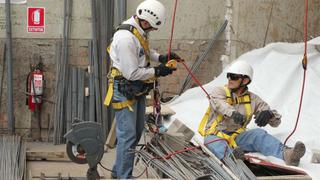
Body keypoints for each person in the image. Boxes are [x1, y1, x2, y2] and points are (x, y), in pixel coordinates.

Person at [104, 0, 180, 178]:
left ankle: (118, 171)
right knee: (127, 136)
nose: (153, 30)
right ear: (145, 21)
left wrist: (161, 57)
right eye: (152, 27)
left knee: (137, 132)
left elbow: (144, 51)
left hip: (136, 87)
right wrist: (157, 71)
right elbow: (131, 73)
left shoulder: (138, 30)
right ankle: (124, 176)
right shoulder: (125, 39)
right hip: (125, 88)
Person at [198, 60, 306, 166]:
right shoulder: (220, 91)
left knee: (258, 134)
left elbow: (276, 123)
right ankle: (233, 161)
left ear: (245, 81)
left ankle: (288, 155)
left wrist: (269, 114)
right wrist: (232, 113)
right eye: (229, 75)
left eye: (234, 77)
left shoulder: (252, 99)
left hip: (237, 137)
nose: (230, 79)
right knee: (216, 144)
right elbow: (219, 103)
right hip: (215, 135)